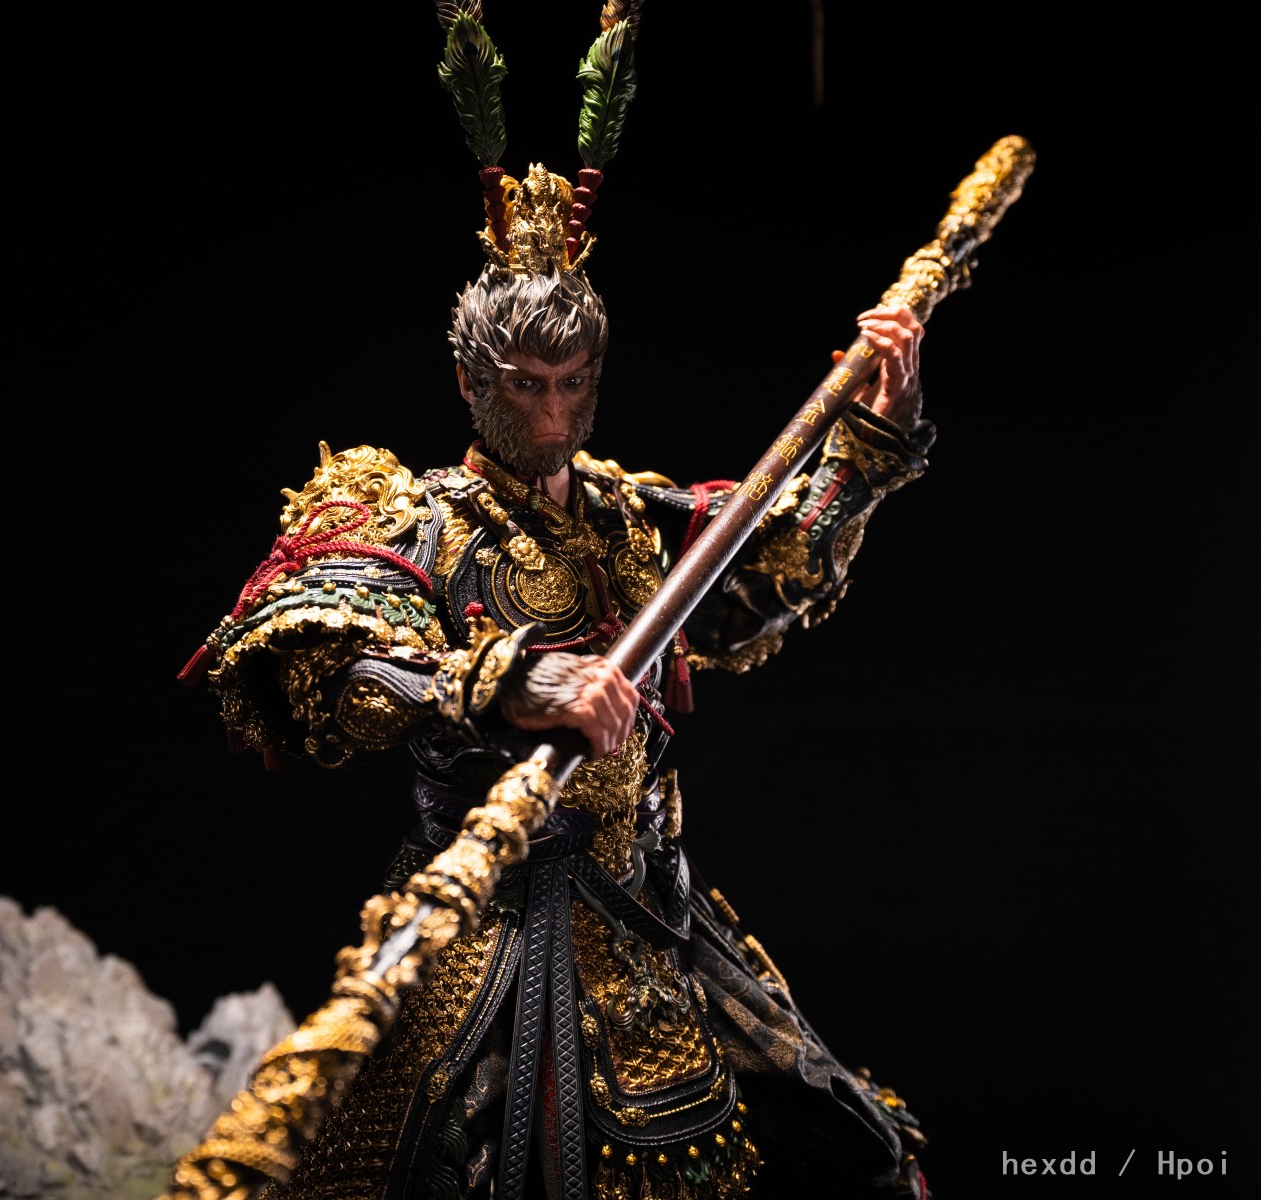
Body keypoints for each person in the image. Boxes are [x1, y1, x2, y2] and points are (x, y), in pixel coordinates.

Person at [177, 9, 936, 1199]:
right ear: (469, 378)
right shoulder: (410, 514)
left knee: (863, 1158)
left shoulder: (630, 515)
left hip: (648, 902)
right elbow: (322, 657)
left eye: (574, 382)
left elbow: (765, 585)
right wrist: (505, 680)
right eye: (526, 384)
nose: (552, 413)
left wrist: (872, 438)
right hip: (487, 913)